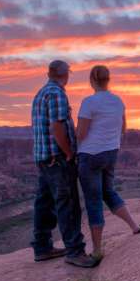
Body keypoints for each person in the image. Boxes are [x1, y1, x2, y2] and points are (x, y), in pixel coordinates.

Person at [31, 60, 97, 268]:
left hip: (43, 157)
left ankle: (42, 247)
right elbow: (57, 127)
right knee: (67, 204)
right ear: (65, 74)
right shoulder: (57, 93)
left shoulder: (41, 93)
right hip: (58, 158)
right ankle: (75, 251)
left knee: (45, 202)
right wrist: (69, 153)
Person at [76, 65, 140, 261]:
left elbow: (81, 133)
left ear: (91, 80)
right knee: (108, 191)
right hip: (111, 153)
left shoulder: (89, 102)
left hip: (90, 155)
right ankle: (135, 226)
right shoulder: (118, 101)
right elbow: (124, 128)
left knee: (93, 200)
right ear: (108, 80)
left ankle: (97, 250)